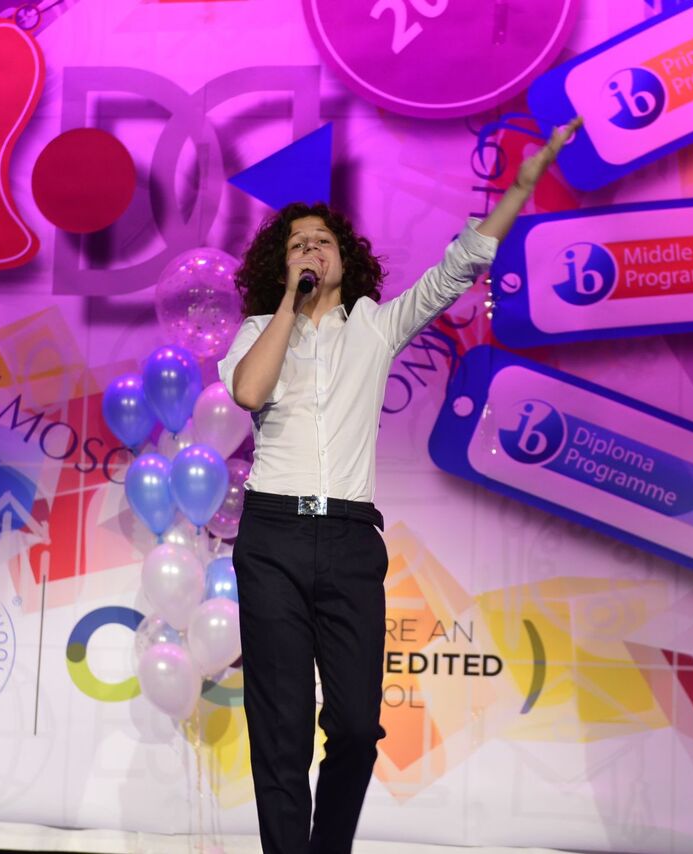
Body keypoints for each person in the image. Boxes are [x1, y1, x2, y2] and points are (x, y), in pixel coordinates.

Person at [217, 117, 583, 854]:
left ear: (346, 258)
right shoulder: (259, 330)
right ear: (279, 265)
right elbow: (251, 392)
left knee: (356, 726)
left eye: (322, 241)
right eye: (297, 244)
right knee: (281, 728)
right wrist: (288, 303)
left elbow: (459, 266)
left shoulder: (375, 327)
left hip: (350, 539)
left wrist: (520, 187)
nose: (311, 250)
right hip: (272, 538)